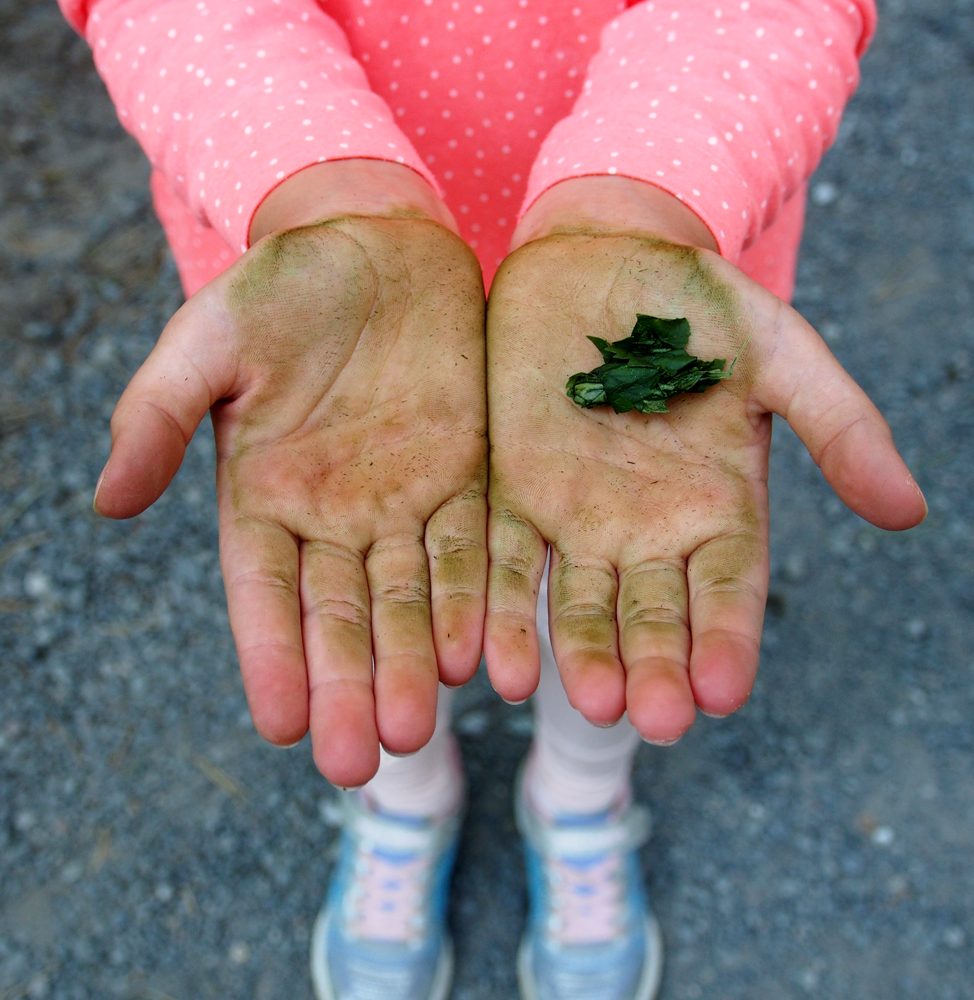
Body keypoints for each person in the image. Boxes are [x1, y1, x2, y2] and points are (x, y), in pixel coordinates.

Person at [58, 1, 926, 998]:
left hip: (656, 225)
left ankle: (578, 798)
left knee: (601, 570)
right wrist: (322, 188)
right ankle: (403, 800)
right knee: (374, 577)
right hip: (320, 285)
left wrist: (641, 198)